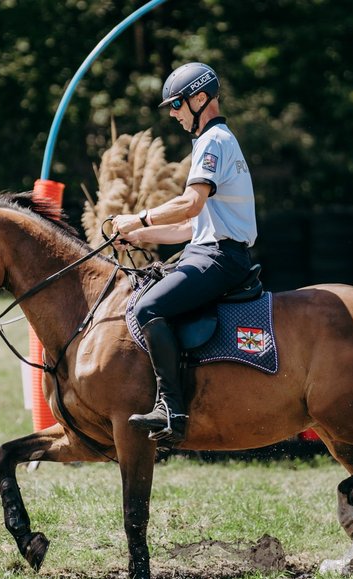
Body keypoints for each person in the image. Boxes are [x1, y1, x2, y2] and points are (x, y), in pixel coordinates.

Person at [110, 62, 257, 444]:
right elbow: (191, 227)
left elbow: (191, 204)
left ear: (200, 98)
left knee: (147, 308)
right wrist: (138, 234)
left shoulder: (213, 141)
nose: (173, 114)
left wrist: (138, 217)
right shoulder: (214, 141)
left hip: (219, 258)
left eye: (176, 104)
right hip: (208, 249)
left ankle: (171, 409)